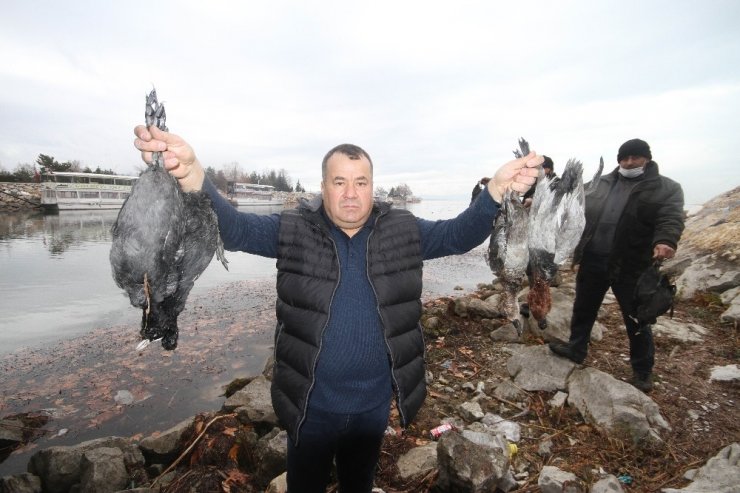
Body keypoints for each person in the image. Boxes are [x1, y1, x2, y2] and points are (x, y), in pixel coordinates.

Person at [134, 124, 542, 493]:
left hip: (371, 408)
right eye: (340, 182)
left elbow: (457, 235)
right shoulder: (293, 229)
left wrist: (495, 192)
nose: (351, 193)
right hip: (310, 408)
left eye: (360, 182)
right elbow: (235, 229)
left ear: (372, 186)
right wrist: (194, 178)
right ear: (324, 186)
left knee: (358, 485)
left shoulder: (402, 229)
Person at [548, 138, 684, 392]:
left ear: (647, 158)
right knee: (583, 309)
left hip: (632, 264)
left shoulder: (666, 188)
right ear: (618, 160)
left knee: (637, 319)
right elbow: (571, 200)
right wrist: (542, 201)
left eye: (635, 158)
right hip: (593, 258)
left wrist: (666, 241)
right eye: (624, 158)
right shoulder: (601, 183)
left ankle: (642, 371)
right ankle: (576, 349)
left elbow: (671, 217)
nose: (629, 162)